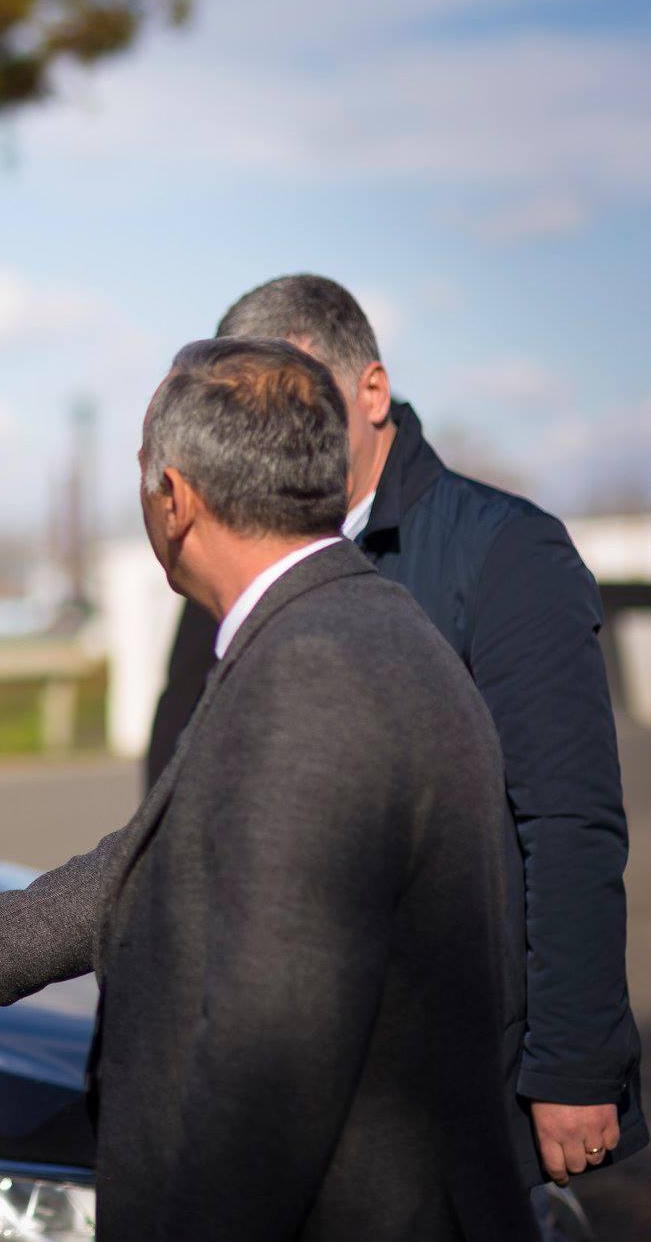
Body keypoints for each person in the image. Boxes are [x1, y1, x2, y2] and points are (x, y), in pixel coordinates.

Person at [0, 339, 535, 1239]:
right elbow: (162, 850)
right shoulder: (348, 623)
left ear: (174, 496)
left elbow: (273, 1052)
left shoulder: (311, 675)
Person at [145, 275, 641, 1191]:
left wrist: (573, 1063)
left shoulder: (504, 552)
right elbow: (174, 804)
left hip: (468, 1080)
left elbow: (567, 822)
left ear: (371, 390)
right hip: (298, 1074)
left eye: (307, 397)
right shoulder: (231, 562)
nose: (285, 428)